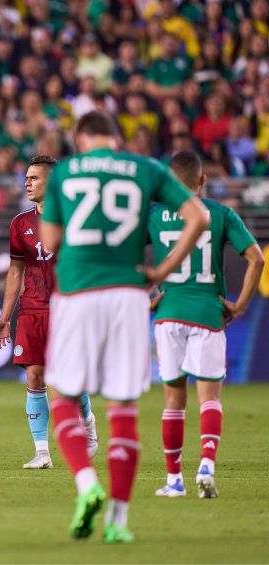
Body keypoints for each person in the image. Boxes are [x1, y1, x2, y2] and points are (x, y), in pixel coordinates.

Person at [39, 111, 208, 543]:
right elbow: (198, 218)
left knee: (61, 394)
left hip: (77, 291)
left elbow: (52, 241)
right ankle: (118, 520)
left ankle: (85, 484)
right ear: (116, 138)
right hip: (129, 296)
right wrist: (164, 269)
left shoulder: (66, 172)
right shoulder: (145, 168)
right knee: (123, 409)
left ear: (80, 139)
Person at [148, 151, 264, 499]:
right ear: (202, 181)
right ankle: (207, 466)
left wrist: (152, 292)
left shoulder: (153, 216)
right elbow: (256, 259)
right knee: (209, 397)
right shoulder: (220, 214)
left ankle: (174, 480)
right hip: (209, 312)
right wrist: (240, 306)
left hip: (168, 314)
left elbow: (125, 256)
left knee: (173, 399)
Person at [0, 155, 98, 470]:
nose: (27, 182)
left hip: (69, 308)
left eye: (34, 177)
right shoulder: (20, 223)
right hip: (33, 309)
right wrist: (5, 316)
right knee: (35, 377)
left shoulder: (76, 218)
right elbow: (15, 271)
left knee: (68, 379)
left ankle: (87, 420)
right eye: (27, 177)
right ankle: (42, 452)